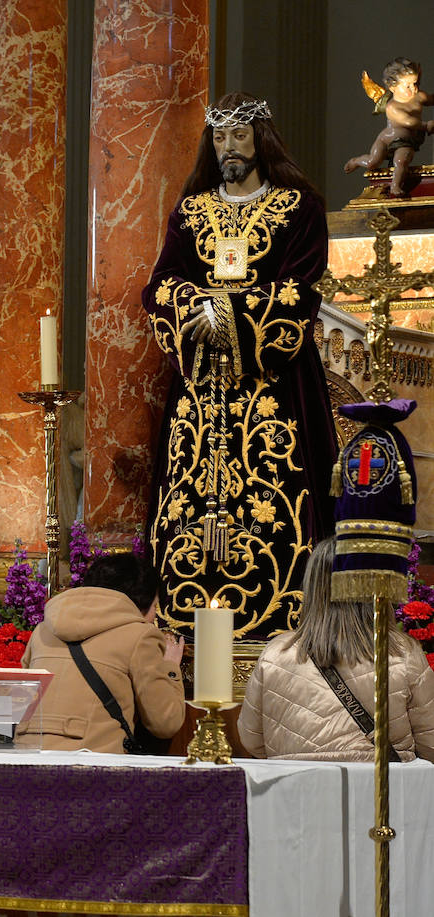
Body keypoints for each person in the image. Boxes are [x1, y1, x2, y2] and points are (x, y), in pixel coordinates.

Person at [142, 92, 337, 641]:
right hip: (201, 396)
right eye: (220, 136)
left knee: (280, 498)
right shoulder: (191, 211)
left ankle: (287, 628)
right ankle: (186, 630)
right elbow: (159, 286)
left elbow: (300, 290)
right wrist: (191, 307)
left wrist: (224, 311)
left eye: (240, 135)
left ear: (261, 139)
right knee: (189, 504)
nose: (229, 147)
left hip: (274, 389)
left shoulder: (299, 207)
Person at [239, 537, 434, 761]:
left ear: (312, 587)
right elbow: (430, 745)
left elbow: (251, 740)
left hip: (298, 791)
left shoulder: (275, 655)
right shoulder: (402, 653)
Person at [18, 553, 185, 753]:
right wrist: (170, 668)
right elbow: (165, 722)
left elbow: (22, 700)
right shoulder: (140, 636)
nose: (153, 617)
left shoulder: (42, 631)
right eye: (155, 607)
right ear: (140, 603)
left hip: (27, 756)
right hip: (92, 765)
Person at [345, 57, 434, 197]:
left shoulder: (419, 97)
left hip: (405, 141)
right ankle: (356, 161)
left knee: (401, 160)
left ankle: (395, 187)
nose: (413, 88)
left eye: (415, 83)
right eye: (407, 85)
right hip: (387, 139)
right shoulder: (392, 107)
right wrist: (426, 125)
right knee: (372, 163)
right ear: (392, 87)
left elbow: (431, 99)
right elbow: (409, 122)